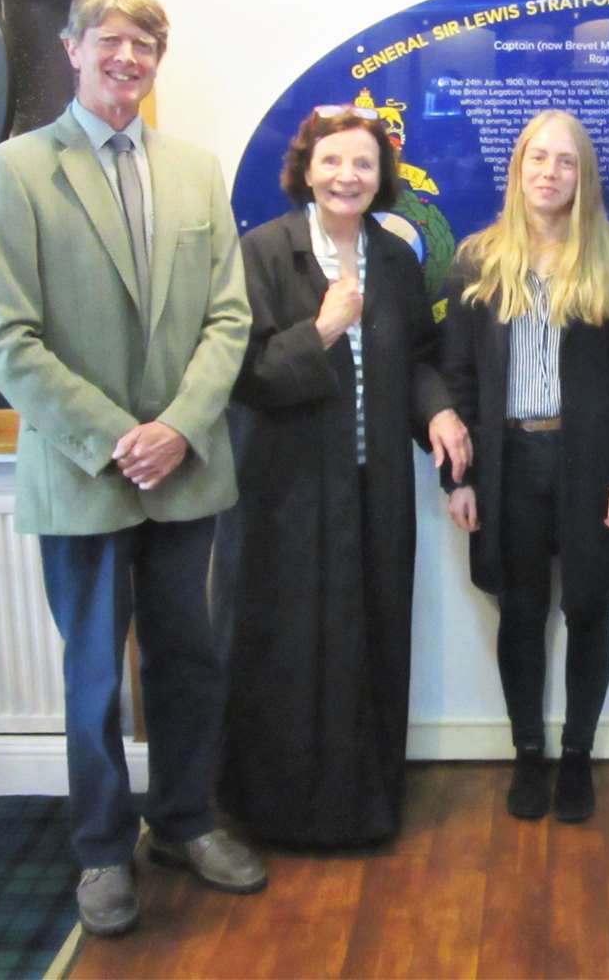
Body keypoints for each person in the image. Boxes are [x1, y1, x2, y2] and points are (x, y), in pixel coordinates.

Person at [0, 0, 263, 937]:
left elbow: (230, 317)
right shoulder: (15, 170)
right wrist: (112, 437)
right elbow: (6, 336)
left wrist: (177, 425)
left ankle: (183, 820)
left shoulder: (195, 171)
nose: (126, 58)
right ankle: (102, 851)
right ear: (72, 46)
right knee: (95, 676)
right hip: (81, 474)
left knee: (189, 660)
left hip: (185, 469)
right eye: (110, 40)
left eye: (144, 44)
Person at [213, 107, 470, 846]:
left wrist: (441, 416)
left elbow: (418, 357)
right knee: (290, 651)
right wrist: (323, 328)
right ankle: (277, 813)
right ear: (306, 170)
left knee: (373, 643)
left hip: (374, 489)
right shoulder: (263, 252)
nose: (346, 177)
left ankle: (366, 805)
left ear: (381, 177)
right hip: (286, 497)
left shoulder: (392, 258)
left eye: (362, 164)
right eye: (332, 162)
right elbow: (245, 376)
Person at [440, 109, 609, 823]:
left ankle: (577, 760)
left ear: (582, 175)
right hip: (505, 463)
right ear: (518, 168)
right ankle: (528, 755)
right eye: (538, 158)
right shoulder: (478, 259)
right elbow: (459, 377)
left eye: (564, 161)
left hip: (589, 466)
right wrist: (458, 478)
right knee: (521, 613)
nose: (549, 173)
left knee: (588, 607)